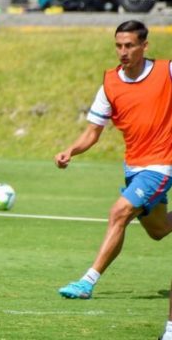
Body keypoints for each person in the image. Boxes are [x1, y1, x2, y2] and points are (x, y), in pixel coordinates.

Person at [55, 20, 172, 300]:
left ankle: (87, 281)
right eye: (119, 45)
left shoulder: (166, 71)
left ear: (145, 46)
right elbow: (93, 132)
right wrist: (71, 150)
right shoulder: (110, 83)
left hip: (161, 164)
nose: (123, 51)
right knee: (159, 230)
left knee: (118, 213)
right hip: (134, 166)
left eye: (130, 45)